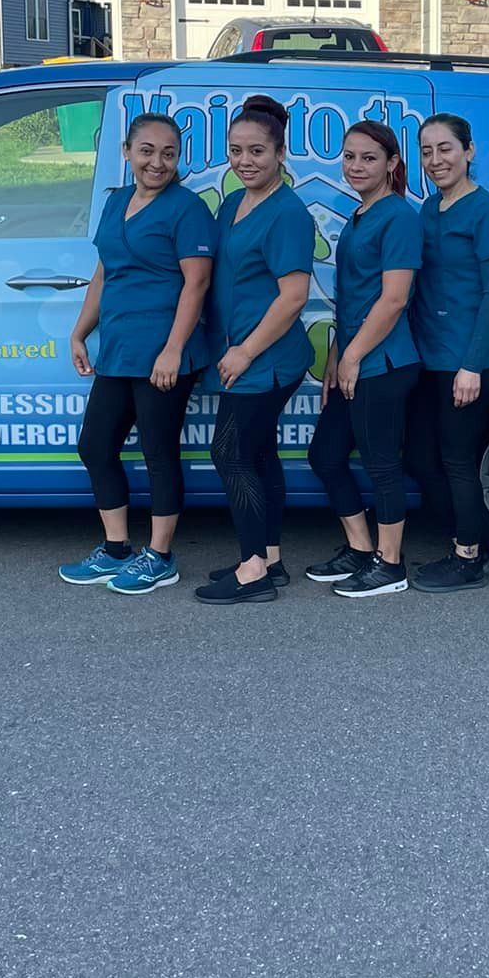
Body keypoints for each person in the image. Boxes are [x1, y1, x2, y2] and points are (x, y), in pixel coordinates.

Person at [60, 111, 215, 594]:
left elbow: (198, 282)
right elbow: (105, 273)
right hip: (120, 348)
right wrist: (80, 331)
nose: (158, 162)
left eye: (169, 153)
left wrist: (172, 350)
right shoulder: (116, 202)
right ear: (127, 152)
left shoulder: (187, 209)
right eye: (147, 151)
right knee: (95, 445)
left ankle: (161, 556)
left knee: (157, 452)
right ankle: (116, 548)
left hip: (165, 352)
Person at [195, 95, 315, 607]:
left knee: (229, 452)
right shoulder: (233, 202)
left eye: (258, 152)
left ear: (281, 153)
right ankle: (268, 556)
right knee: (259, 452)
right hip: (245, 353)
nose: (245, 161)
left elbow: (294, 296)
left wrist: (244, 352)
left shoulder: (287, 212)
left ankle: (252, 572)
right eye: (236, 150)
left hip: (264, 359)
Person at [305, 120, 422, 598]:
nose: (356, 166)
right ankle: (359, 547)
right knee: (326, 456)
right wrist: (336, 356)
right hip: (354, 359)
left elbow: (393, 299)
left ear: (392, 163)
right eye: (350, 156)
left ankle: (390, 565)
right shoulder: (359, 215)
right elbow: (352, 299)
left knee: (380, 464)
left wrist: (352, 356)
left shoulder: (399, 216)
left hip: (385, 363)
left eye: (369, 158)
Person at [406, 113, 489, 592]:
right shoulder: (431, 209)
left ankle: (469, 557)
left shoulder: (488, 212)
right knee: (419, 454)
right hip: (431, 359)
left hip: (470, 362)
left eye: (446, 149)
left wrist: (471, 364)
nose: (436, 160)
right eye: (427, 151)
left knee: (456, 458)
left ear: (469, 151)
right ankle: (461, 536)